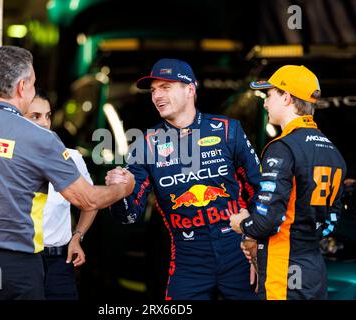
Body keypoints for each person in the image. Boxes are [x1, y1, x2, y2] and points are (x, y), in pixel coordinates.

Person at [0, 45, 134, 300]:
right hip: (16, 270)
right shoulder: (41, 138)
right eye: (33, 84)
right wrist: (125, 188)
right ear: (22, 86)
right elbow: (87, 199)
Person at [106, 58, 261, 300]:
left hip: (238, 249)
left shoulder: (228, 130)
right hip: (189, 258)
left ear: (190, 89)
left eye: (165, 87)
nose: (156, 95)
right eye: (154, 90)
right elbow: (129, 215)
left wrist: (256, 244)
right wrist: (117, 191)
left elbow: (260, 190)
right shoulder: (146, 144)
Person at [230, 65, 347, 300]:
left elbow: (267, 221)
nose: (264, 103)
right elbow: (331, 222)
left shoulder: (283, 147)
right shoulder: (333, 151)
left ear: (286, 97)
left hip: (283, 270)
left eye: (269, 95)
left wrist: (243, 224)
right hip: (314, 268)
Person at [24, 89, 96, 300]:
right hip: (21, 262)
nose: (45, 123)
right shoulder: (9, 160)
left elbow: (90, 202)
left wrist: (77, 237)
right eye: (35, 116)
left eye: (47, 116)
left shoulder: (70, 157)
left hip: (59, 263)